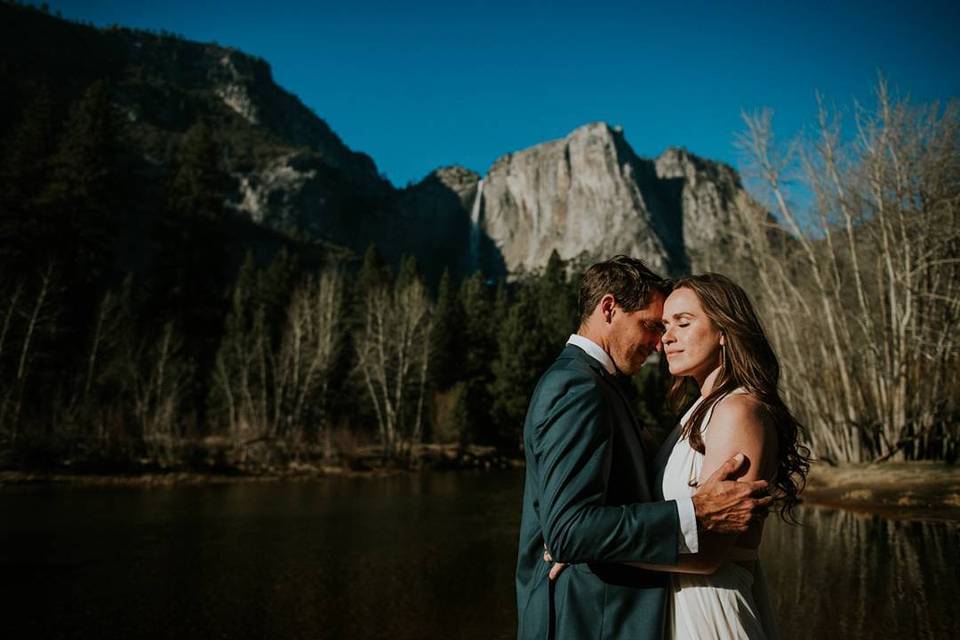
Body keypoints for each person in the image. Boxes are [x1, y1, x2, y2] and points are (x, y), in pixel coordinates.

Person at [516, 257, 771, 640]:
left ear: (724, 330)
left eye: (679, 325)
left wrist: (583, 546)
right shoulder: (580, 386)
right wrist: (692, 513)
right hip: (588, 617)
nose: (660, 341)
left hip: (702, 613)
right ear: (608, 308)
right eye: (655, 325)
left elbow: (712, 550)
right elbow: (569, 527)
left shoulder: (732, 410)